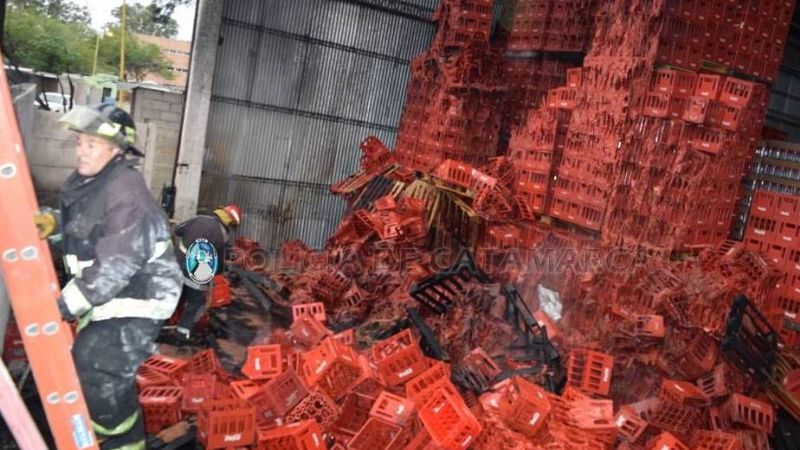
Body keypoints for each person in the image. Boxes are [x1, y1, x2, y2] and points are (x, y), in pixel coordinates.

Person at [38, 104, 182, 450]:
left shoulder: (126, 190)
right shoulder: (88, 183)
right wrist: (55, 226)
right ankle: (102, 427)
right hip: (111, 295)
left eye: (92, 145)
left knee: (97, 364)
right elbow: (89, 229)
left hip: (140, 296)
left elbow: (117, 261)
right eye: (79, 143)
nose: (82, 151)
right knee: (90, 365)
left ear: (116, 150)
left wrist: (63, 305)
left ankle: (120, 440)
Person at [169, 203, 241, 342]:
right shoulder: (222, 236)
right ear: (230, 223)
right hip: (197, 272)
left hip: (177, 264)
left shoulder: (199, 219)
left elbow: (178, 230)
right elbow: (218, 263)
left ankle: (159, 325)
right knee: (196, 302)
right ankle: (182, 334)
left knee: (175, 296)